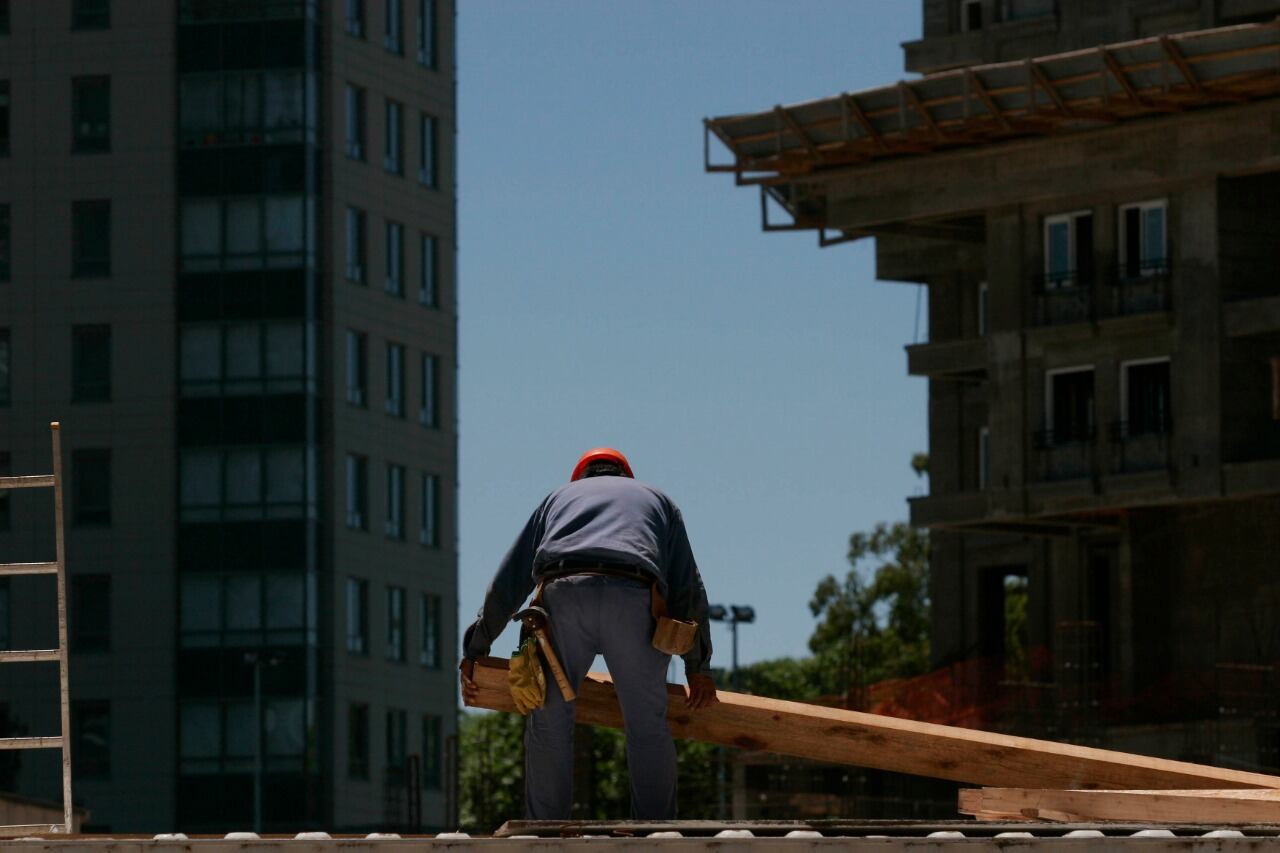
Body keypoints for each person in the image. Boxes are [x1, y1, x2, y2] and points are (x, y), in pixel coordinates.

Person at [459, 447, 716, 820]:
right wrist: (699, 667)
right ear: (626, 476)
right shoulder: (658, 501)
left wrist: (476, 648)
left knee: (548, 722)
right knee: (646, 725)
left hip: (564, 595)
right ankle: (656, 829)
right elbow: (687, 588)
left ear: (578, 478)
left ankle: (546, 833)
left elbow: (510, 579)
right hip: (633, 598)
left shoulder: (557, 499)